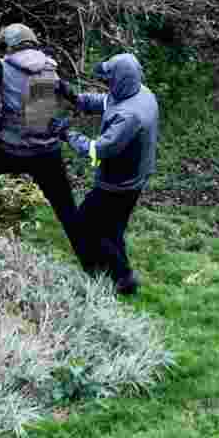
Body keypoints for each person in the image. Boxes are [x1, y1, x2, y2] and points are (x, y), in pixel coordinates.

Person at [0, 24, 81, 253]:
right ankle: (101, 268)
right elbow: (70, 97)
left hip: (12, 152)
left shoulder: (1, 68)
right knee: (68, 212)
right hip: (47, 153)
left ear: (10, 45)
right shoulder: (49, 67)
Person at [50, 53, 158, 296]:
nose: (107, 84)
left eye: (109, 80)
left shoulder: (130, 116)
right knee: (112, 229)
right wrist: (75, 98)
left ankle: (115, 276)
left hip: (119, 184)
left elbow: (97, 150)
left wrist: (66, 134)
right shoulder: (141, 93)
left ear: (120, 80)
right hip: (134, 176)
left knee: (88, 224)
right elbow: (106, 102)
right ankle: (121, 277)